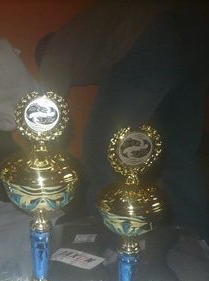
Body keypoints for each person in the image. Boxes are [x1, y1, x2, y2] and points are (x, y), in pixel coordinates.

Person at [37, 1, 209, 241]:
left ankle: (110, 238)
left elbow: (44, 114)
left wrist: (45, 160)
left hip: (153, 31)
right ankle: (199, 240)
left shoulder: (55, 50)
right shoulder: (97, 44)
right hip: (196, 24)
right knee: (178, 154)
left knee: (104, 147)